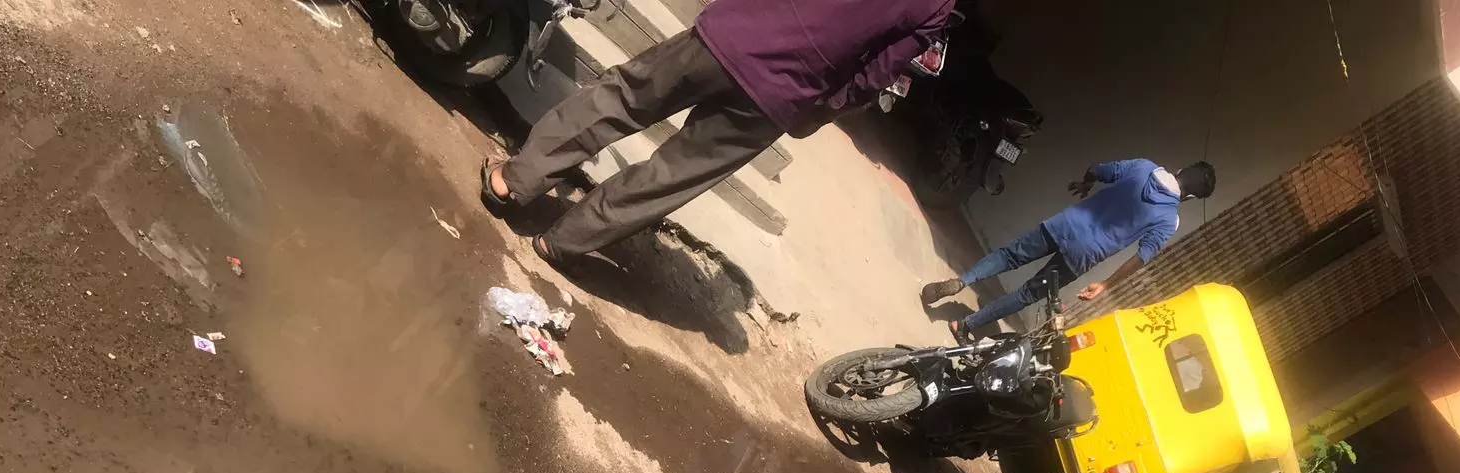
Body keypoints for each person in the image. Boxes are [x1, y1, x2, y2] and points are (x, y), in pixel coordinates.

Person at [481, 0, 956, 264]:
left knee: (621, 100)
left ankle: (512, 180)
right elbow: (875, 76)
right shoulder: (937, 6)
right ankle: (561, 243)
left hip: (736, 33)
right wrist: (820, 111)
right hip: (784, 94)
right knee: (670, 175)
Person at [920, 158, 1216, 341]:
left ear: (1181, 169)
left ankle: (963, 280)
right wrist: (1106, 284)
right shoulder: (1169, 220)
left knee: (1009, 256)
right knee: (1027, 294)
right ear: (1190, 197)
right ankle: (965, 325)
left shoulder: (1143, 167)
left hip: (1064, 225)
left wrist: (1086, 185)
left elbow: (1096, 169)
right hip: (1082, 256)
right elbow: (1142, 257)